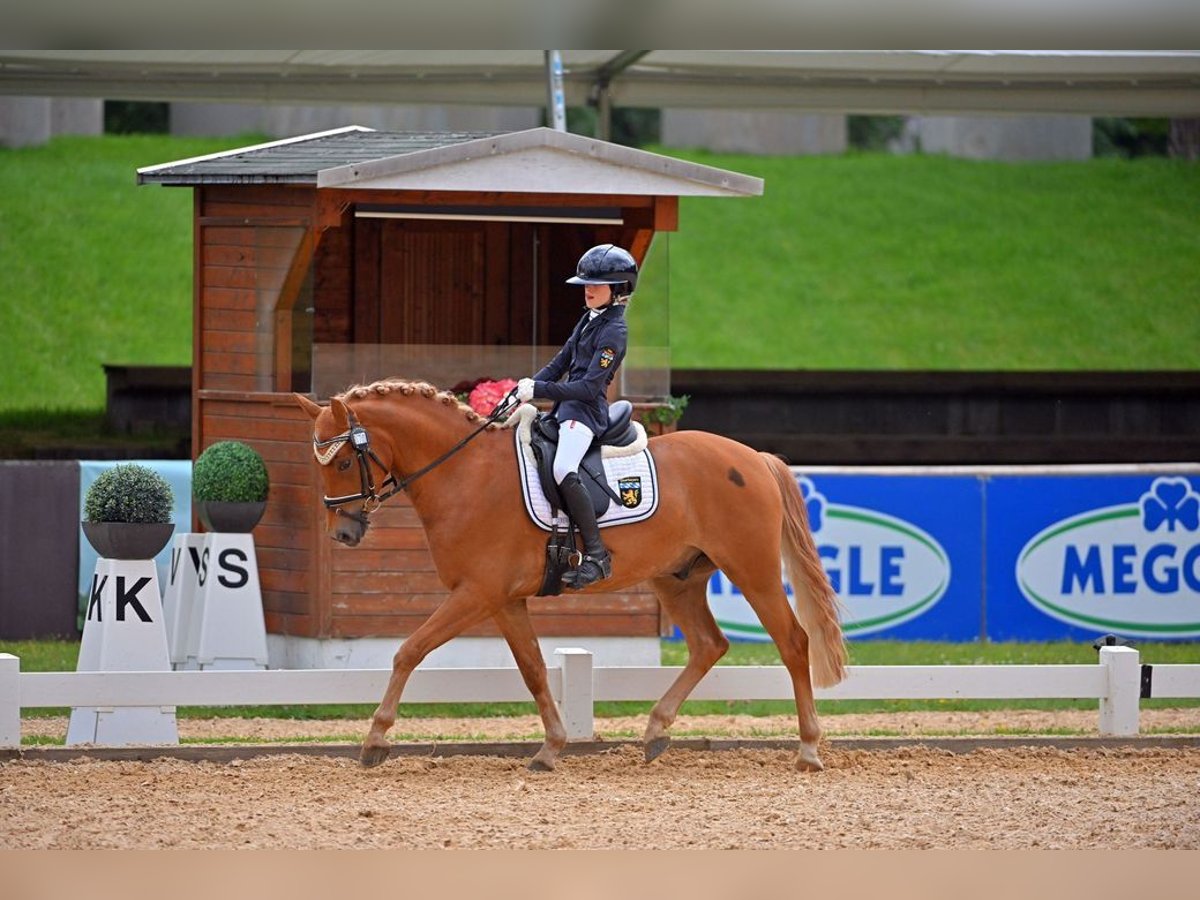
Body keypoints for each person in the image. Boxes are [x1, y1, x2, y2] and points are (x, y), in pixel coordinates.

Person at [516, 243, 637, 589]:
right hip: (565, 410)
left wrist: (540, 392)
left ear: (617, 290)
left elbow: (586, 387)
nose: (588, 289)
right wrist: (526, 386)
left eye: (596, 285)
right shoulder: (588, 318)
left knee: (562, 467)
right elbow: (561, 363)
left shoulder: (615, 331)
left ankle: (598, 557)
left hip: (586, 413)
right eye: (586, 283)